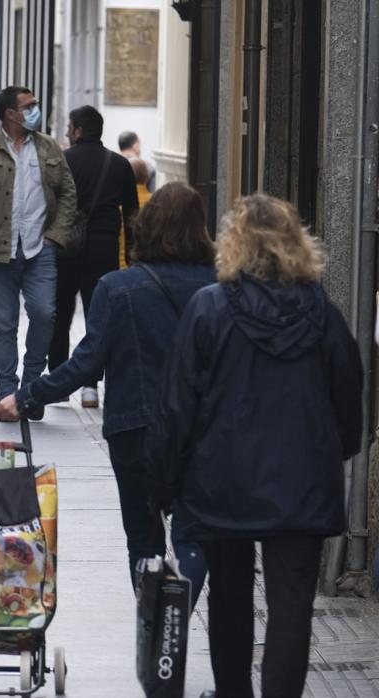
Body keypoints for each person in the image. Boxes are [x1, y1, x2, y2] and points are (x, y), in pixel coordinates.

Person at [147, 194, 362, 698]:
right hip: (302, 482)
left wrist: (162, 482)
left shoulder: (209, 309)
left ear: (233, 244)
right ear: (296, 243)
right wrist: (338, 451)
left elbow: (177, 405)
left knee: (229, 602)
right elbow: (348, 395)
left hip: (224, 481)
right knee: (292, 608)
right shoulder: (321, 313)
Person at [0, 182, 215, 601]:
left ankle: (154, 626)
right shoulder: (221, 287)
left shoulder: (117, 287)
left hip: (135, 427)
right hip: (200, 430)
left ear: (145, 227)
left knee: (143, 537)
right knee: (194, 532)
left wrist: (26, 397)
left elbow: (86, 363)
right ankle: (177, 616)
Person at [0, 86, 77, 416]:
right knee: (4, 324)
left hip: (41, 251)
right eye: (30, 106)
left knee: (44, 314)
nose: (36, 110)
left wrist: (56, 236)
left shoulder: (50, 147)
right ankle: (8, 392)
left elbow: (68, 195)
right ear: (11, 114)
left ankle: (31, 389)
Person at [50, 105, 139, 409]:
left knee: (60, 314)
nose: (66, 132)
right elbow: (131, 214)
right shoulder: (119, 165)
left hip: (66, 247)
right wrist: (131, 255)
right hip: (104, 248)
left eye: (69, 127)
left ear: (78, 131)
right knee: (98, 316)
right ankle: (91, 386)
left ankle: (59, 382)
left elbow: (47, 205)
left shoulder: (62, 161)